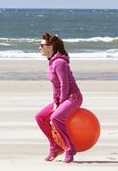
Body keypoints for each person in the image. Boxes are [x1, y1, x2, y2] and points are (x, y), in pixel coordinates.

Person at [34, 33, 83, 163]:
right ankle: (55, 147)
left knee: (55, 118)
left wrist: (60, 104)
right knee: (40, 117)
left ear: (50, 47)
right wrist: (56, 102)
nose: (39, 48)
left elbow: (64, 85)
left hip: (73, 97)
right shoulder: (51, 63)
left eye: (42, 45)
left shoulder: (60, 62)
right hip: (62, 97)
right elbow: (56, 87)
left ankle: (69, 148)